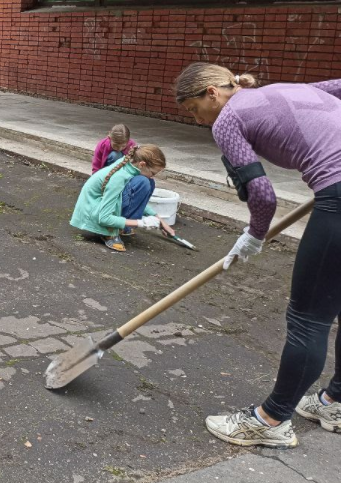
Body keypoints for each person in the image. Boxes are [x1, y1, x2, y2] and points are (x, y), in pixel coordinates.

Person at [174, 62, 341, 449]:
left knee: (308, 319)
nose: (197, 119)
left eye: (192, 109)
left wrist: (253, 235)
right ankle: (334, 402)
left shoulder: (227, 120)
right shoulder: (287, 86)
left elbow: (263, 195)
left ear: (211, 93)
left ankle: (270, 420)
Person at [70, 144, 174, 252]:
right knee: (143, 182)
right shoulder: (119, 177)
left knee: (149, 182)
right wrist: (141, 223)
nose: (152, 176)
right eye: (153, 173)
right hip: (94, 214)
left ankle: (121, 226)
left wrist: (160, 220)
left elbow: (136, 201)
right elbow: (104, 218)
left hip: (103, 206)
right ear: (142, 164)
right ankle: (109, 232)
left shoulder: (130, 164)